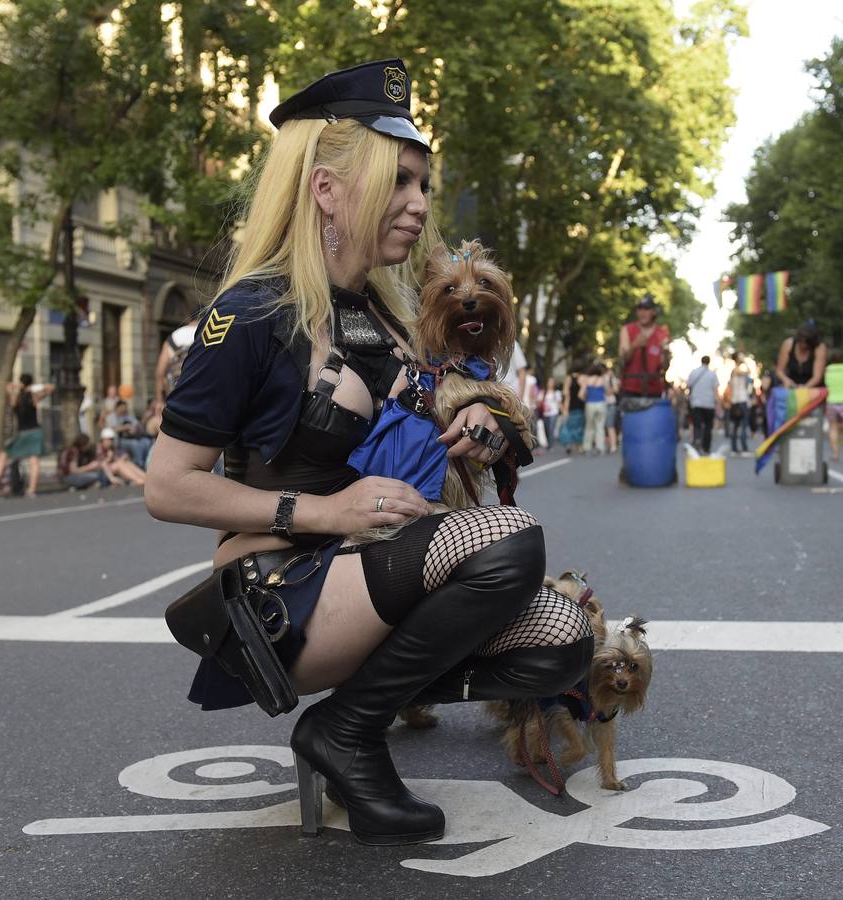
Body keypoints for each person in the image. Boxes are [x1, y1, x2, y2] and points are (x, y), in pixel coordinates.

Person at [144, 59, 593, 846]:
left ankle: (355, 717)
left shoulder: (380, 319)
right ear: (326, 190)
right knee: (506, 541)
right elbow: (168, 487)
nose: (420, 206)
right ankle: (345, 731)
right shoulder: (252, 315)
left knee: (563, 640)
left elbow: (431, 409)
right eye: (400, 183)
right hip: (281, 589)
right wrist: (323, 508)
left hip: (379, 563)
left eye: (422, 184)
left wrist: (481, 426)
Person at [0, 374, 55, 497]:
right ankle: (31, 490)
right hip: (34, 432)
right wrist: (32, 387)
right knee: (34, 461)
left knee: (4, 454)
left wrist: (20, 386)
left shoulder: (15, 398)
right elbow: (51, 387)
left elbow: (8, 387)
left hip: (22, 433)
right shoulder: (34, 397)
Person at [619, 296, 671, 398]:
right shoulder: (627, 330)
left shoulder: (662, 333)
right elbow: (622, 360)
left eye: (646, 309)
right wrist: (634, 345)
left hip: (653, 391)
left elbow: (665, 366)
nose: (642, 312)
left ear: (654, 312)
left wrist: (665, 352)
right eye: (639, 309)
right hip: (629, 389)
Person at [155, 315, 201, 404]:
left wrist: (159, 400)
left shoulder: (174, 336)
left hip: (175, 391)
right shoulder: (207, 334)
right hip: (199, 393)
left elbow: (160, 372)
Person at [774, 322, 827, 390]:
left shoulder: (819, 348)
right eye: (801, 341)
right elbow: (779, 371)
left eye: (807, 342)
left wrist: (804, 388)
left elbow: (817, 377)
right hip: (792, 388)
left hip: (813, 391)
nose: (803, 344)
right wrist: (786, 380)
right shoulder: (788, 344)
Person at [686, 355, 719, 454]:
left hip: (696, 403)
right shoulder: (712, 374)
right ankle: (706, 447)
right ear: (709, 362)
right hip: (709, 404)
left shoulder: (694, 372)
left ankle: (697, 440)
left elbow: (688, 385)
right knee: (708, 426)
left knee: (697, 424)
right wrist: (717, 402)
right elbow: (715, 390)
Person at [726, 352, 752, 457]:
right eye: (741, 355)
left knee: (737, 426)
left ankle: (735, 448)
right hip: (740, 400)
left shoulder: (734, 371)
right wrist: (745, 362)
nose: (743, 357)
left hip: (736, 401)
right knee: (742, 425)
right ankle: (743, 448)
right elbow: (748, 372)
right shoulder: (736, 370)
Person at [580, 362, 609, 454]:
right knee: (600, 426)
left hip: (590, 403)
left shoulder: (587, 379)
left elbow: (581, 394)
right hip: (601, 403)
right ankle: (600, 447)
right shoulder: (603, 379)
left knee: (589, 426)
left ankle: (587, 447)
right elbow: (607, 391)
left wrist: (586, 400)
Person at [557, 366, 585, 453]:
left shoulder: (568, 378)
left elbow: (566, 393)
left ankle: (569, 444)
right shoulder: (582, 378)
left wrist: (565, 408)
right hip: (580, 405)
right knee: (579, 426)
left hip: (571, 406)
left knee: (569, 425)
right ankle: (579, 446)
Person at [539, 376, 562, 449]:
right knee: (546, 429)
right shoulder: (544, 392)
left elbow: (559, 403)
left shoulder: (557, 392)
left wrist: (563, 411)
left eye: (552, 382)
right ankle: (548, 442)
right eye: (549, 382)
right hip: (545, 413)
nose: (551, 383)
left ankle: (550, 445)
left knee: (551, 428)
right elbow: (539, 400)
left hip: (554, 413)